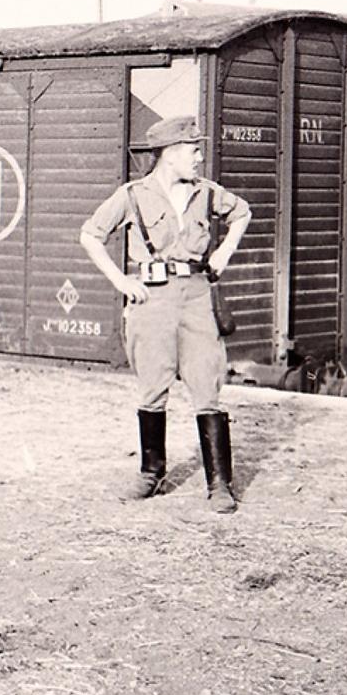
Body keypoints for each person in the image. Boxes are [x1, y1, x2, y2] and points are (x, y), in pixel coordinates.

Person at [79, 115, 252, 514]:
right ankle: (150, 473)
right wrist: (121, 281)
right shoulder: (133, 195)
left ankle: (220, 484)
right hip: (151, 300)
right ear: (171, 154)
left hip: (196, 296)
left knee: (207, 384)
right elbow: (90, 235)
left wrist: (224, 251)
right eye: (193, 150)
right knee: (152, 386)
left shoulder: (207, 193)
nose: (198, 157)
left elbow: (242, 213)